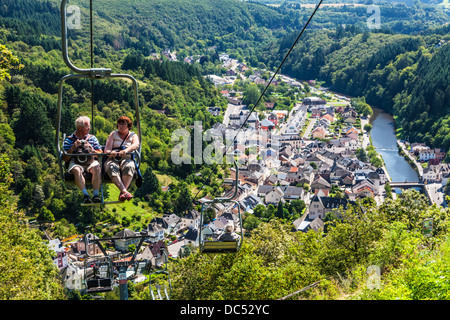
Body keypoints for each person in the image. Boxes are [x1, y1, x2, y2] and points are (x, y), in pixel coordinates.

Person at [63, 116, 103, 204]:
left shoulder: (92, 138)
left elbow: (100, 153)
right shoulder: (69, 140)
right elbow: (65, 158)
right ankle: (85, 195)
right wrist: (73, 147)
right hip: (76, 162)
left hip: (90, 161)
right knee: (77, 170)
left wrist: (91, 149)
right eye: (87, 126)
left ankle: (96, 195)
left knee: (97, 168)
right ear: (79, 128)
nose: (89, 128)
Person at [104, 116, 140, 201]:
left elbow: (136, 145)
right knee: (111, 167)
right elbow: (107, 149)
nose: (121, 126)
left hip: (126, 157)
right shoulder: (113, 134)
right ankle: (124, 191)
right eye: (120, 124)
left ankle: (122, 193)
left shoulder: (133, 135)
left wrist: (126, 150)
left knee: (129, 166)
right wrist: (111, 152)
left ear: (128, 126)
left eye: (124, 124)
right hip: (113, 158)